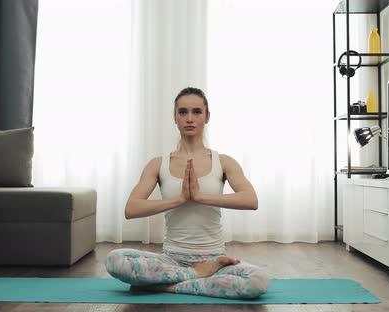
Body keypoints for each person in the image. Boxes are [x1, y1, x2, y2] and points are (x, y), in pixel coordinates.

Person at [105, 87, 270, 299]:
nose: (189, 118)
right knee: (115, 260)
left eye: (197, 112)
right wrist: (179, 199)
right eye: (183, 112)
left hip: (215, 261)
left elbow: (251, 199)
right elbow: (131, 208)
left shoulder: (224, 162)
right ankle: (196, 275)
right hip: (171, 260)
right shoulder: (158, 164)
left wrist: (201, 197)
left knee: (258, 281)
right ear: (175, 117)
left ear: (207, 117)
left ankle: (164, 285)